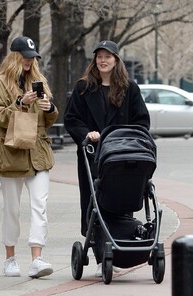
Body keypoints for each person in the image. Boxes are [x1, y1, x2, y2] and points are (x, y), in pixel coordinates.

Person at [64, 40, 150, 277]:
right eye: (99, 56)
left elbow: (142, 122)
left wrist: (126, 138)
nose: (103, 60)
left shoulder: (129, 88)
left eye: (108, 56)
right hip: (92, 156)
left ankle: (121, 246)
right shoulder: (83, 88)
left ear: (116, 60)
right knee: (94, 202)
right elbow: (72, 119)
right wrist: (86, 134)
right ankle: (101, 254)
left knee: (120, 199)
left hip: (122, 155)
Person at [0, 36, 58, 278]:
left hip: (37, 153)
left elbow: (47, 121)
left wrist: (50, 109)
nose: (29, 60)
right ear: (14, 57)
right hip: (10, 154)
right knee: (12, 209)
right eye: (25, 56)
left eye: (32, 57)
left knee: (40, 206)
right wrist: (20, 102)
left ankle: (37, 259)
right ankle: (10, 258)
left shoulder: (39, 82)